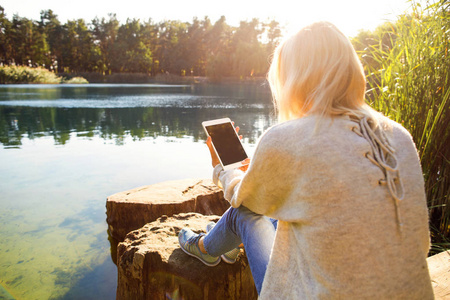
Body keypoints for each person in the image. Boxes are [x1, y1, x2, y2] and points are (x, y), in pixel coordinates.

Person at [178, 21, 434, 299]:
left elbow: (241, 199)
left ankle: (204, 248)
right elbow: (420, 243)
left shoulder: (288, 138)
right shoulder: (397, 135)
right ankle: (219, 247)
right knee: (278, 216)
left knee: (247, 214)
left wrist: (223, 168)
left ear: (294, 78)